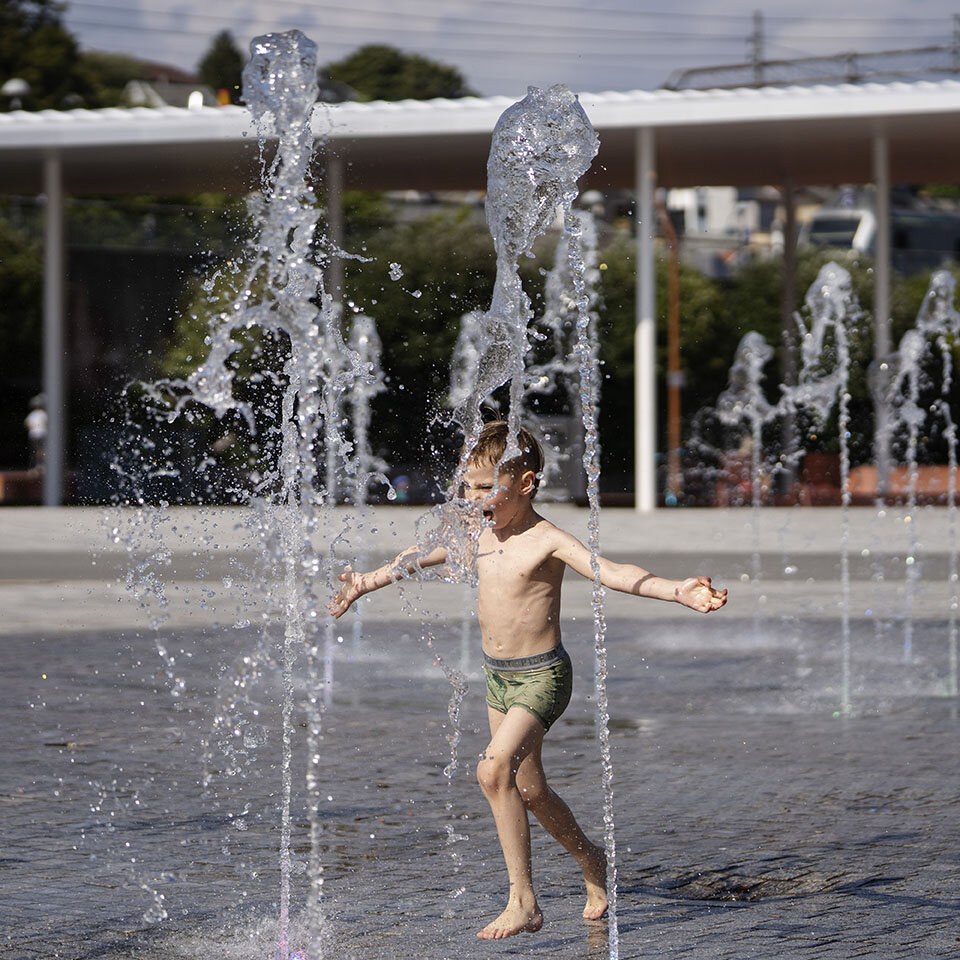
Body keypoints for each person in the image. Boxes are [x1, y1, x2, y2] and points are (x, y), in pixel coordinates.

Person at [328, 421, 727, 940]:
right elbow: (415, 559)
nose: (472, 499)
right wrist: (364, 583)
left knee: (493, 771)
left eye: (484, 487)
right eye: (467, 487)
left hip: (543, 677)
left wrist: (677, 590)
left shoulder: (546, 540)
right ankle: (594, 864)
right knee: (530, 788)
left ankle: (523, 901)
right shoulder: (474, 536)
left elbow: (611, 571)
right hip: (499, 679)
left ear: (526, 484)